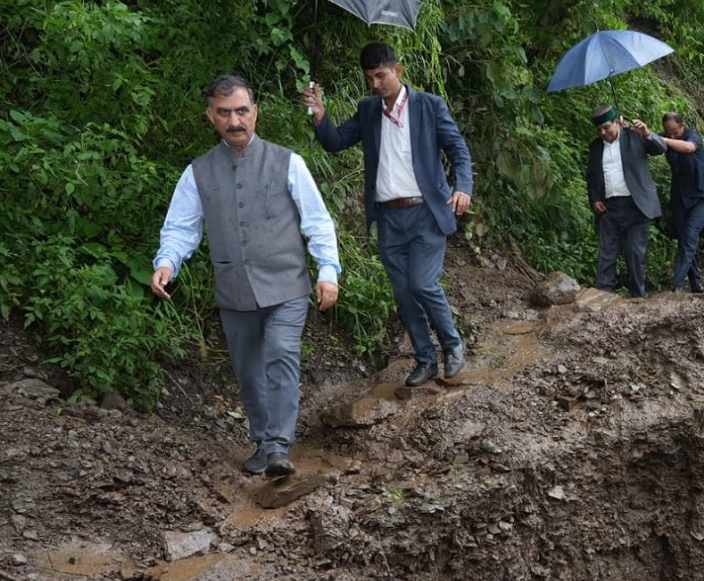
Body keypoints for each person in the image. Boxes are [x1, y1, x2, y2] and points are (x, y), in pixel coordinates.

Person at [153, 75, 341, 478]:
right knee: (248, 368)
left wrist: (328, 271)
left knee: (280, 353)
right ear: (211, 116)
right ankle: (262, 440)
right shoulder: (197, 172)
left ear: (255, 112)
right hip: (234, 288)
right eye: (224, 113)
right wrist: (167, 263)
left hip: (287, 284)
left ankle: (278, 445)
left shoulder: (288, 162)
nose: (234, 121)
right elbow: (181, 227)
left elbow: (318, 222)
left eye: (241, 111)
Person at [305, 43, 472, 389]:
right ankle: (425, 359)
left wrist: (463, 186)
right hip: (389, 218)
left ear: (398, 70)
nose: (376, 84)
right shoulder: (368, 111)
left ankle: (453, 345)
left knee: (422, 283)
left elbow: (458, 150)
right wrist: (320, 114)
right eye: (370, 78)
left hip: (426, 211)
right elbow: (336, 142)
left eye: (381, 75)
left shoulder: (429, 106)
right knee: (403, 293)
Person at [585, 105, 668, 298]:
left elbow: (660, 148)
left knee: (634, 252)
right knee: (607, 251)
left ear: (616, 122)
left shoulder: (635, 136)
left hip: (636, 206)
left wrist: (647, 133)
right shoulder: (596, 147)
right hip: (609, 207)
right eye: (599, 130)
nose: (603, 133)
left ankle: (639, 294)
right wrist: (595, 198)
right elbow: (592, 175)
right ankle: (603, 294)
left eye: (607, 127)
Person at [661, 111, 704, 294]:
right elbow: (645, 139)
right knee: (684, 239)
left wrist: (666, 141)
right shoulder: (666, 137)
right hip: (680, 197)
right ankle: (696, 282)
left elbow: (688, 148)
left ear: (682, 125)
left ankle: (676, 284)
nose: (672, 136)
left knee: (691, 235)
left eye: (675, 132)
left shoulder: (693, 136)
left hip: (701, 195)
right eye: (668, 133)